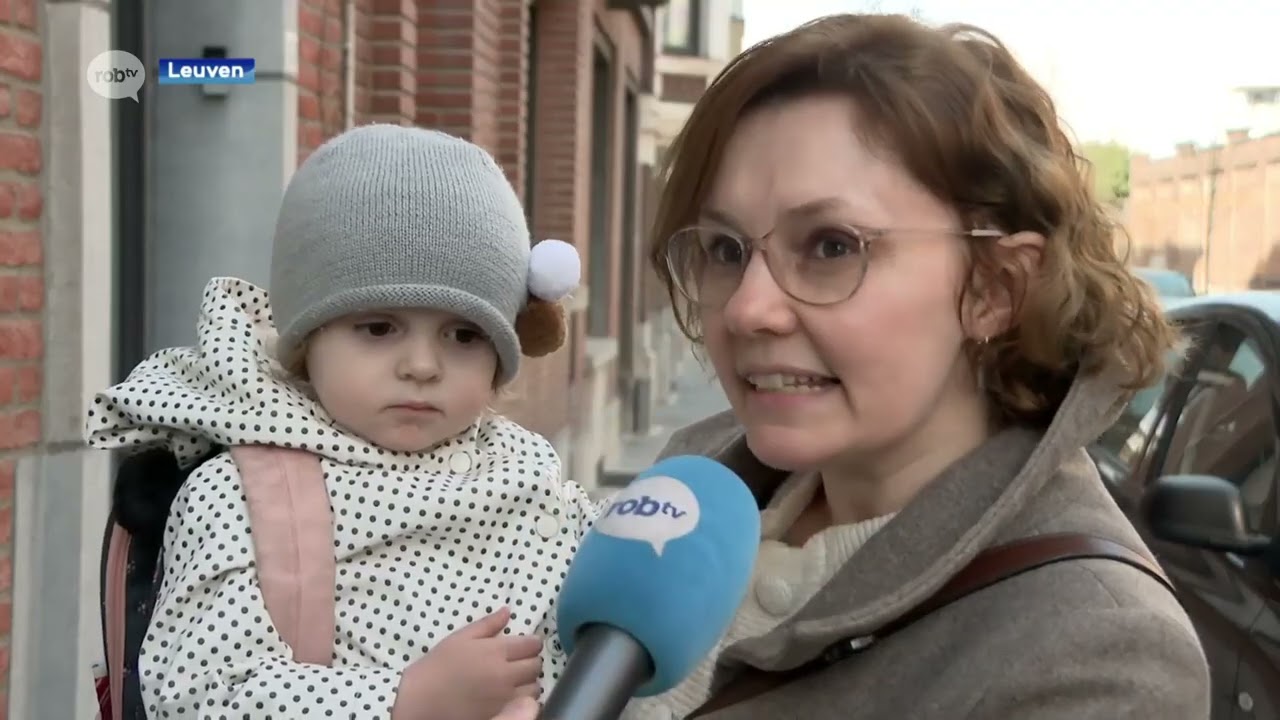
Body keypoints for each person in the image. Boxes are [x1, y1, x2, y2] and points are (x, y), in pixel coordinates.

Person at [621, 13, 1211, 720]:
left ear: (995, 288)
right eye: (724, 248)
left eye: (833, 245)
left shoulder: (1097, 649)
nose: (749, 309)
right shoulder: (689, 491)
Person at [85, 125, 600, 720]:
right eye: (378, 328)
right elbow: (199, 694)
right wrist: (405, 701)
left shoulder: (531, 473)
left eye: (464, 335)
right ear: (308, 339)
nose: (422, 365)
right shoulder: (240, 495)